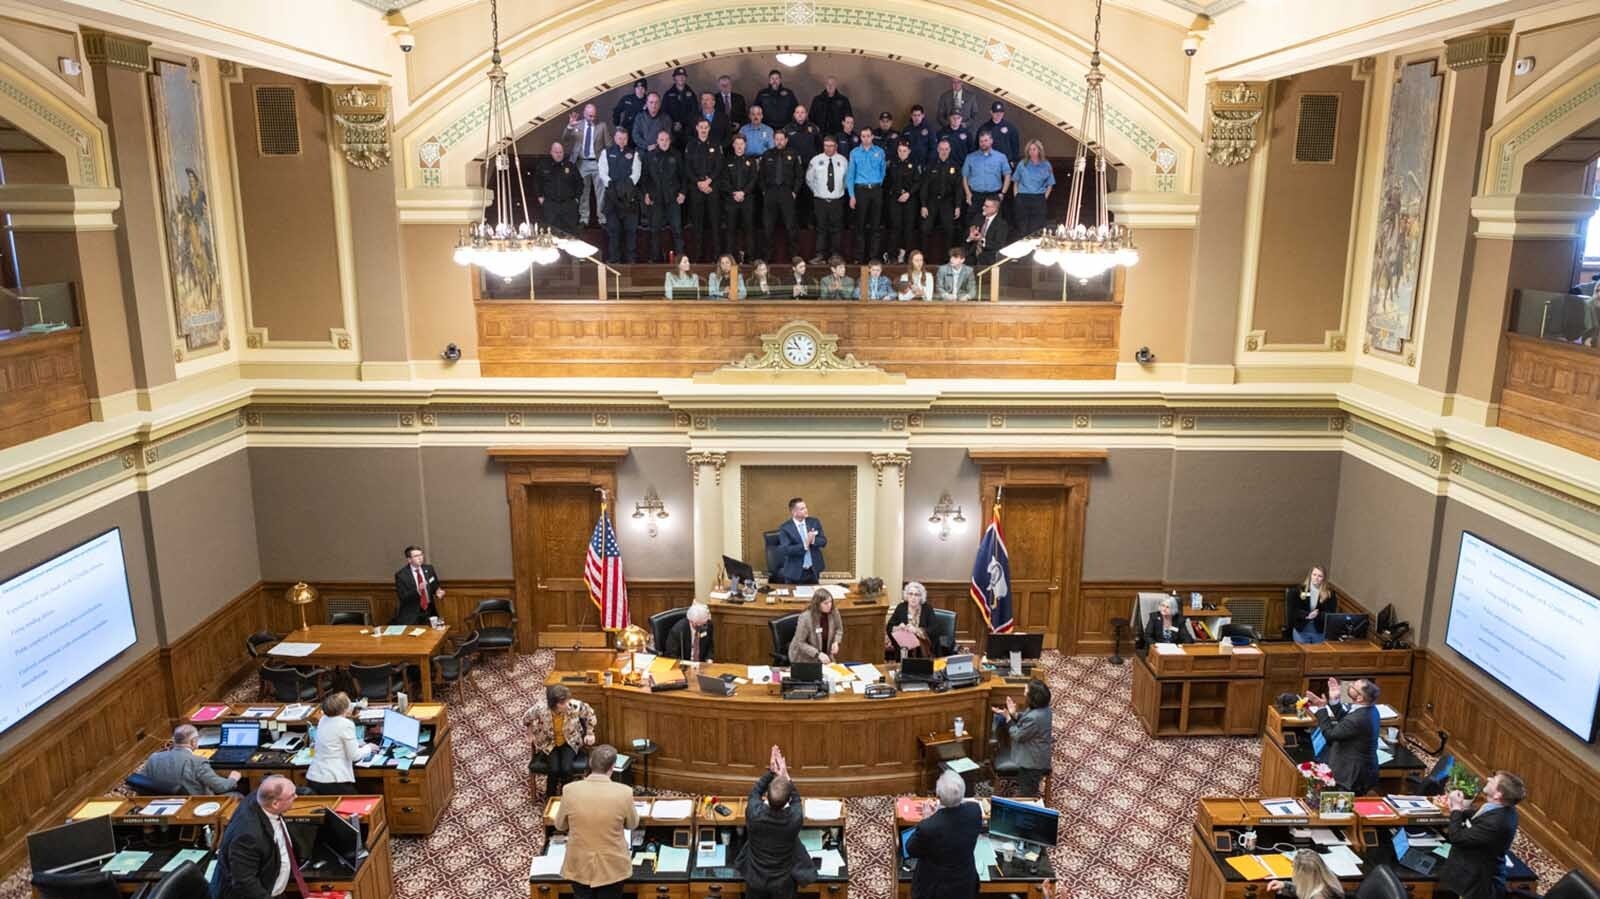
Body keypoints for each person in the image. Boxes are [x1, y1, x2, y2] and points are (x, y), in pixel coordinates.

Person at [555, 744, 638, 899]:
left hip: (579, 864)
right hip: (612, 867)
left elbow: (560, 825)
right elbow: (632, 824)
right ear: (613, 767)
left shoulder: (569, 790)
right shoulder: (624, 792)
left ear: (590, 762)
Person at [1438, 771, 1524, 899]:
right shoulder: (1501, 807)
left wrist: (1456, 808)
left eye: (1493, 780)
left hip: (1477, 885)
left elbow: (1457, 838)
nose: (1489, 778)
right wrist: (1459, 807)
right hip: (1473, 869)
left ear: (1497, 795)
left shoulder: (1496, 823)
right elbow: (1478, 815)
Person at [210, 775, 296, 899]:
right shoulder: (248, 836)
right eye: (292, 795)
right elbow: (245, 883)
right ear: (275, 804)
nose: (296, 797)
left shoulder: (260, 798)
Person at [736, 745, 805, 899]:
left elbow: (755, 791)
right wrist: (785, 776)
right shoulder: (795, 819)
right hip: (783, 882)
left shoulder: (753, 814)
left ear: (766, 795)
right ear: (787, 800)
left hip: (756, 879)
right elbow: (797, 800)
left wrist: (771, 771)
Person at [906, 771, 982, 899]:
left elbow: (911, 848)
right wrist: (937, 816)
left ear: (938, 795)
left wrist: (927, 819)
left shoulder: (928, 827)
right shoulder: (974, 811)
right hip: (965, 884)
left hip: (935, 889)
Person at [1304, 677, 1380, 794]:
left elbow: (1330, 735)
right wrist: (1334, 701)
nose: (1349, 686)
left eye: (1354, 687)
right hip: (1361, 768)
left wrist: (1321, 708)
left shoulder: (1358, 718)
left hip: (1351, 774)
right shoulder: (1369, 709)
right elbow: (1345, 721)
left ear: (1360, 698)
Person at [524, 684, 598, 792]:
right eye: (563, 703)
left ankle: (566, 794)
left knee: (566, 769)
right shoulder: (541, 709)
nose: (568, 705)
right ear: (555, 705)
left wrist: (590, 733)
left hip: (570, 741)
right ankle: (550, 796)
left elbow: (590, 715)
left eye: (568, 701)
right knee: (553, 770)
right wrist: (529, 733)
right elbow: (526, 718)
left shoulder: (575, 706)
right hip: (549, 743)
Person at [306, 691, 377, 795]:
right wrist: (369, 747)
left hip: (315, 776)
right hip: (333, 779)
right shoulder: (346, 724)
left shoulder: (323, 719)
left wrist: (357, 743)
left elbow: (335, 739)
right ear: (344, 709)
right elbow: (355, 756)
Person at [992, 679, 1052, 796]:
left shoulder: (1035, 717)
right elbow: (1026, 718)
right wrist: (1014, 714)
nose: (1024, 692)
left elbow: (1017, 735)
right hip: (1037, 751)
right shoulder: (1044, 709)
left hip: (1032, 763)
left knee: (1026, 794)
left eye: (1026, 690)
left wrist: (1008, 718)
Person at [144, 724, 241, 795]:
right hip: (196, 805)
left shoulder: (154, 758)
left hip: (163, 804)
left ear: (174, 740)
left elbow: (138, 782)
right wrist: (233, 779)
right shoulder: (198, 762)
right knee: (237, 795)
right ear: (193, 742)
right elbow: (221, 787)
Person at [596, 129, 642, 264]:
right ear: (615, 138)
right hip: (612, 197)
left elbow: (636, 175)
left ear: (627, 139)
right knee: (614, 230)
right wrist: (612, 186)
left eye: (624, 138)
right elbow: (603, 173)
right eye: (619, 138)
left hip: (629, 198)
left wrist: (625, 188)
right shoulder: (606, 153)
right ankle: (614, 258)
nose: (622, 141)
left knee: (630, 230)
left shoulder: (634, 153)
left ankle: (631, 259)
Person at [560, 104, 610, 227]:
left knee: (601, 192)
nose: (592, 118)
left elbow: (609, 144)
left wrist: (608, 160)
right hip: (581, 162)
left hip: (597, 162)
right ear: (584, 113)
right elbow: (564, 139)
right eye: (590, 116)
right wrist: (570, 126)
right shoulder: (577, 124)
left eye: (594, 116)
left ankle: (602, 219)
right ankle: (584, 218)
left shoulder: (602, 126)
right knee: (583, 191)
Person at [642, 129, 687, 263]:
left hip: (673, 198)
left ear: (670, 141)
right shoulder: (649, 156)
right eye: (661, 139)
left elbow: (683, 176)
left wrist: (683, 192)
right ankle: (655, 259)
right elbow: (644, 178)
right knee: (655, 230)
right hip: (656, 198)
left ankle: (681, 259)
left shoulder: (677, 155)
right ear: (657, 141)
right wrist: (646, 193)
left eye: (667, 139)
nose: (664, 142)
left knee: (677, 230)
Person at [759, 129, 803, 261]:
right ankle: (767, 257)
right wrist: (764, 191)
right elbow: (760, 176)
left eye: (781, 139)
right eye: (776, 139)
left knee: (791, 226)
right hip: (770, 192)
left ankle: (794, 256)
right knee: (768, 227)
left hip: (786, 192)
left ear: (786, 140)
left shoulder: (793, 154)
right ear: (774, 140)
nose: (779, 141)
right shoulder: (767, 155)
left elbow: (799, 176)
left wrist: (794, 191)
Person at [846, 127, 887, 263]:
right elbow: (850, 175)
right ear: (860, 138)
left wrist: (876, 184)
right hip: (860, 190)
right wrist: (852, 195)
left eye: (868, 136)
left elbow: (883, 172)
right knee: (860, 225)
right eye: (863, 136)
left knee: (876, 226)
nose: (866, 138)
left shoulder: (880, 152)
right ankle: (859, 257)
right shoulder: (854, 153)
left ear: (872, 137)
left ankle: (873, 257)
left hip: (875, 190)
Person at [685, 119, 724, 260]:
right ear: (696, 128)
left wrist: (708, 181)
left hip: (712, 187)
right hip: (696, 189)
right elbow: (687, 168)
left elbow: (719, 166)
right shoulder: (691, 145)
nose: (703, 129)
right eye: (701, 127)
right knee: (697, 223)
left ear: (709, 129)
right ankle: (698, 255)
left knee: (715, 222)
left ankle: (717, 255)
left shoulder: (716, 144)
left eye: (706, 127)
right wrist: (699, 182)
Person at [806, 137, 848, 264]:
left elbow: (847, 180)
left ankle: (835, 255)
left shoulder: (843, 160)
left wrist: (839, 192)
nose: (828, 148)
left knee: (836, 229)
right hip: (820, 200)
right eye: (826, 145)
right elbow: (809, 179)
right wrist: (818, 192)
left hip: (837, 200)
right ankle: (820, 255)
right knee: (821, 229)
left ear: (836, 146)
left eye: (831, 145)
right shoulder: (816, 160)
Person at [921, 141, 964, 255]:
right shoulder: (930, 165)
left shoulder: (955, 166)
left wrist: (958, 206)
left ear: (949, 150)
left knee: (950, 229)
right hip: (932, 201)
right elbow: (924, 186)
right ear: (937, 150)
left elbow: (958, 188)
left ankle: (949, 258)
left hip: (947, 201)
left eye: (946, 149)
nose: (944, 151)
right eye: (941, 149)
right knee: (925, 228)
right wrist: (924, 205)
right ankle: (923, 258)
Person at [720, 135, 759, 260]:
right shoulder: (727, 161)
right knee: (730, 230)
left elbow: (754, 179)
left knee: (749, 229)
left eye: (741, 143)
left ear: (745, 145)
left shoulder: (751, 161)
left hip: (747, 200)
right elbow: (724, 180)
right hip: (731, 200)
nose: (739, 146)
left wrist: (744, 192)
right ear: (733, 145)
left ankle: (750, 258)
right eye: (737, 144)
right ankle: (730, 258)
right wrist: (734, 193)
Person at [884, 141, 922, 263]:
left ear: (909, 151)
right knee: (895, 228)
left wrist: (908, 193)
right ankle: (892, 256)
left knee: (909, 229)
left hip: (910, 200)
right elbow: (887, 182)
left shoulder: (914, 164)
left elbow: (918, 182)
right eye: (900, 150)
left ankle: (909, 257)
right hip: (894, 200)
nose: (902, 153)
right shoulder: (892, 164)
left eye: (904, 151)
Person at [962, 131, 1011, 225]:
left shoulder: (1001, 157)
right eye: (981, 141)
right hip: (975, 196)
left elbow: (1007, 175)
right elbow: (965, 176)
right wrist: (968, 193)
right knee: (972, 224)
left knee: (993, 225)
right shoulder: (970, 157)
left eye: (986, 140)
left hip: (993, 195)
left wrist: (1002, 193)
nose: (983, 143)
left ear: (991, 141)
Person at [538, 141, 585, 236]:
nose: (559, 155)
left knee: (570, 235)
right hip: (551, 205)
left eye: (561, 152)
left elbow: (579, 183)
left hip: (568, 206)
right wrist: (540, 197)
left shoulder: (570, 166)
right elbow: (537, 182)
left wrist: (576, 199)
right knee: (551, 233)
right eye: (556, 152)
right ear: (551, 152)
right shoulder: (544, 165)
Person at [777, 495, 827, 584]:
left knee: (813, 597)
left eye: (805, 507)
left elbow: (823, 541)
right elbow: (786, 550)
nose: (806, 510)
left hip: (813, 570)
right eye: (802, 509)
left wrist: (813, 540)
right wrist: (805, 544)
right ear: (794, 512)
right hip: (795, 573)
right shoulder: (785, 528)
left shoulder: (814, 522)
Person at [392, 544, 444, 625]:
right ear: (409, 559)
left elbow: (435, 586)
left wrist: (438, 591)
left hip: (429, 611)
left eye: (421, 554)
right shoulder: (401, 575)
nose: (420, 558)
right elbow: (402, 597)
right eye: (416, 556)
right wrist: (417, 591)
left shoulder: (429, 569)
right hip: (412, 614)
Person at [1011, 141, 1054, 237]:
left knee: (1036, 229)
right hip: (1022, 197)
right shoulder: (1022, 164)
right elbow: (1015, 181)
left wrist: (1044, 197)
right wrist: (1016, 196)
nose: (1031, 152)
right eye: (1029, 149)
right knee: (1022, 229)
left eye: (1034, 149)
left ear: (1039, 150)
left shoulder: (1046, 165)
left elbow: (1050, 184)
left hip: (1039, 198)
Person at [789, 590, 844, 663]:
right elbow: (800, 642)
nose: (829, 605)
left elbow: (839, 630)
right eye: (825, 603)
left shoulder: (834, 612)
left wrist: (836, 642)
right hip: (804, 658)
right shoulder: (806, 618)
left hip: (825, 655)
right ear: (817, 604)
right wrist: (817, 654)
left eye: (830, 601)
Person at [1265, 849, 1344, 898]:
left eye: (1294, 868)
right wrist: (1285, 885)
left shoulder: (1319, 897)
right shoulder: (1327, 880)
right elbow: (1307, 888)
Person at [886, 580, 936, 657]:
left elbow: (934, 629)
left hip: (922, 648)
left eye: (916, 595)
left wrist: (916, 630)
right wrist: (899, 627)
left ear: (921, 597)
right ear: (907, 595)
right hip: (904, 646)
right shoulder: (901, 607)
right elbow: (889, 627)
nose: (913, 597)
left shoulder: (927, 608)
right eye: (911, 594)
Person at [1292, 565, 1337, 644]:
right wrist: (1308, 614)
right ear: (1310, 575)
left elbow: (1330, 613)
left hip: (1319, 631)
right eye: (1314, 574)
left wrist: (1317, 615)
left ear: (1324, 578)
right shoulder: (1299, 590)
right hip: (1301, 629)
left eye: (1320, 576)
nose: (1316, 578)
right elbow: (1294, 611)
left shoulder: (1330, 593)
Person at [965, 196, 1010, 266]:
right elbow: (968, 235)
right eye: (984, 205)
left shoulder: (1001, 224)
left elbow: (999, 245)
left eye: (987, 206)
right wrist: (970, 237)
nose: (983, 208)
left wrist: (981, 239)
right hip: (972, 254)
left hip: (989, 256)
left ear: (995, 209)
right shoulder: (978, 217)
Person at [663, 68, 698, 145]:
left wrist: (683, 124)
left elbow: (694, 112)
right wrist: (673, 124)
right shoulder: (668, 94)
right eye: (678, 76)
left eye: (683, 76)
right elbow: (664, 113)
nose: (681, 78)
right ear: (674, 78)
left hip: (688, 132)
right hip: (673, 131)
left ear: (686, 78)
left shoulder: (691, 94)